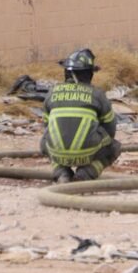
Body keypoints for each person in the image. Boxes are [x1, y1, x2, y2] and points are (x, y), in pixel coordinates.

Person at [40, 48, 122, 183]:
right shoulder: (97, 94)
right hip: (88, 152)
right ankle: (86, 173)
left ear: (67, 72)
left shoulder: (52, 93)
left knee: (44, 141)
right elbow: (110, 129)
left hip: (57, 153)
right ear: (89, 73)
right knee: (114, 147)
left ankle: (61, 173)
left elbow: (46, 125)